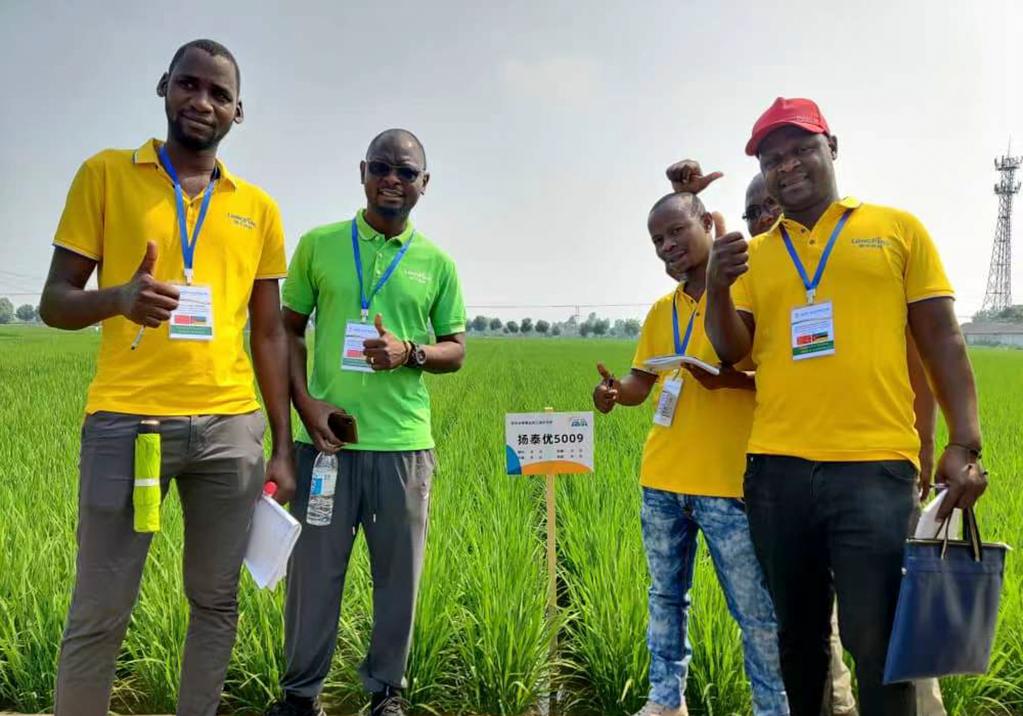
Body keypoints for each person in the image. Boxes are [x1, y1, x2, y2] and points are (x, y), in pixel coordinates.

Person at [703, 97, 987, 716]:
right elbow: (732, 351)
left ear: (833, 147)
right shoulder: (757, 255)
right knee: (799, 641)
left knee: (876, 638)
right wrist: (716, 288)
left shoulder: (895, 230)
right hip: (777, 474)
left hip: (872, 469)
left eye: (802, 148)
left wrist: (963, 441)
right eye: (772, 158)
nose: (788, 165)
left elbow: (942, 338)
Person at [39, 39, 294, 716]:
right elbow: (55, 302)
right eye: (189, 85)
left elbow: (268, 334)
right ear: (163, 87)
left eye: (218, 94)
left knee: (216, 601)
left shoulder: (257, 208)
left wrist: (282, 444)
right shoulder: (105, 175)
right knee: (101, 606)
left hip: (228, 432)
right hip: (128, 423)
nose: (201, 102)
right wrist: (117, 299)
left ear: (239, 112)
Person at [670, 161, 948, 716]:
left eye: (766, 208)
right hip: (789, 482)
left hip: (868, 474)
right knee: (815, 647)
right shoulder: (762, 272)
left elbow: (918, 360)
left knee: (883, 640)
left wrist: (925, 444)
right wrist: (686, 204)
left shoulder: (862, 255)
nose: (763, 218)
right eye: (752, 214)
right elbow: (707, 286)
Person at [266, 129, 466, 716]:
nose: (393, 179)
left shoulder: (437, 264)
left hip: (402, 448)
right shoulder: (318, 245)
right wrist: (307, 406)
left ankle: (385, 693)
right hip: (324, 446)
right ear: (362, 172)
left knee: (397, 580)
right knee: (313, 577)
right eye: (382, 167)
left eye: (407, 172)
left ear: (424, 185)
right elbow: (287, 331)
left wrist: (412, 352)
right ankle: (300, 695)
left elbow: (456, 347)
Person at [592, 191, 789, 716]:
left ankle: (774, 708)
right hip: (662, 480)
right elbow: (642, 380)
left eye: (677, 232)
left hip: (729, 486)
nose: (668, 246)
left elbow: (778, 376)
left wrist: (726, 380)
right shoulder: (662, 310)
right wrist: (615, 394)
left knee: (755, 611)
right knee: (665, 598)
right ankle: (665, 701)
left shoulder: (748, 289)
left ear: (707, 223)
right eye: (658, 240)